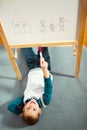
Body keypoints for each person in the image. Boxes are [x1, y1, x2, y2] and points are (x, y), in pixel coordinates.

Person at [8, 47, 53, 126]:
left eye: (28, 108)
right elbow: (48, 86)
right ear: (39, 110)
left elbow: (10, 107)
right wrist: (45, 71)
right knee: (44, 46)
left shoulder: (25, 100)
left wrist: (20, 114)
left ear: (23, 108)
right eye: (34, 109)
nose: (32, 105)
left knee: (26, 46)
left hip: (32, 67)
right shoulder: (45, 101)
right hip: (44, 69)